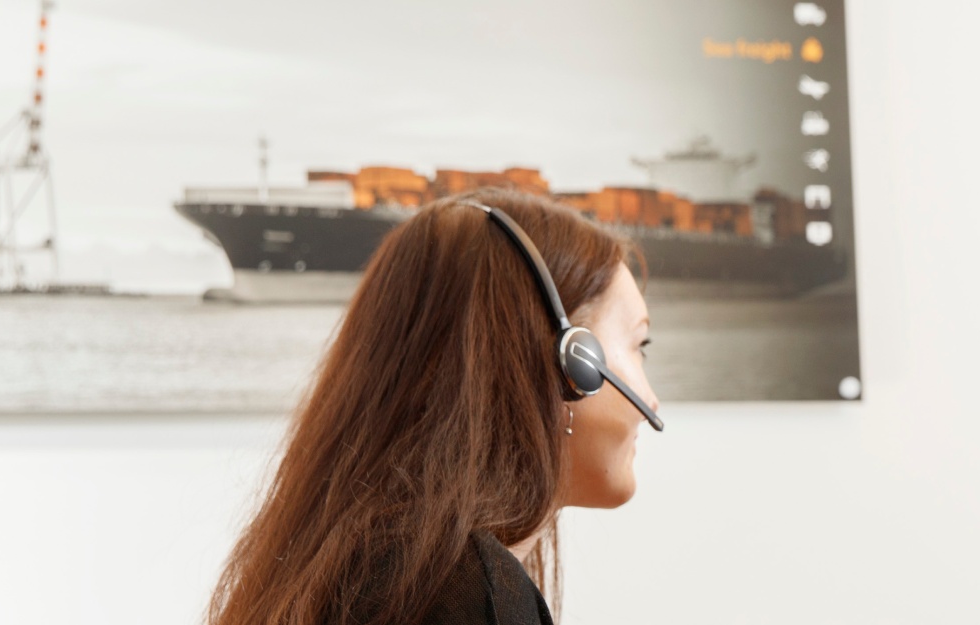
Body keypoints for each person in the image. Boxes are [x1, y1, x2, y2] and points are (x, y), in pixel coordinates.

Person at [207, 188, 664, 625]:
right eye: (638, 345)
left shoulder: (372, 566)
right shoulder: (470, 591)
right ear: (575, 362)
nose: (652, 400)